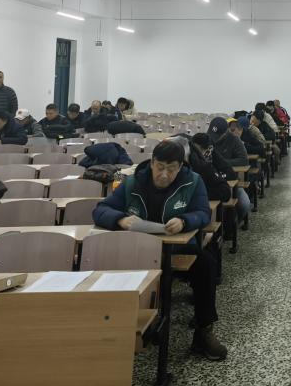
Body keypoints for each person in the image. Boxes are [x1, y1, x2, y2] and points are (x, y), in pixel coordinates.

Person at [93, 140, 227, 360]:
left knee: (206, 265)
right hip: (137, 250)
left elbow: (203, 213)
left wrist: (184, 221)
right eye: (160, 167)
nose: (164, 174)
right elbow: (100, 210)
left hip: (177, 248)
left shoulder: (193, 181)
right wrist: (120, 219)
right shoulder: (133, 182)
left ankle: (204, 331)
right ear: (152, 163)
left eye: (171, 169)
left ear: (180, 167)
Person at [191, 131, 251, 225]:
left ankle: (234, 225)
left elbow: (231, 173)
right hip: (208, 192)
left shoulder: (212, 152)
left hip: (217, 187)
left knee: (244, 203)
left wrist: (219, 176)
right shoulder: (191, 160)